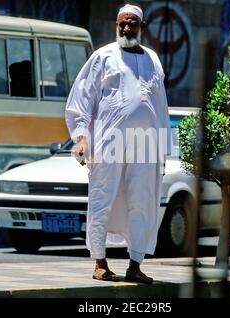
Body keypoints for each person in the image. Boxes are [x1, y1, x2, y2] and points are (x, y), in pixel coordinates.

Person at [65, 4, 171, 284]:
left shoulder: (153, 59)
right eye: (122, 24)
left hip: (146, 145)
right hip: (108, 140)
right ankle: (99, 263)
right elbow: (82, 98)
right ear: (116, 25)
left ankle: (135, 265)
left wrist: (162, 150)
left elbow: (161, 106)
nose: (126, 29)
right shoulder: (103, 56)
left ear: (142, 27)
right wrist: (80, 137)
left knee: (143, 201)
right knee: (102, 197)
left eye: (132, 24)